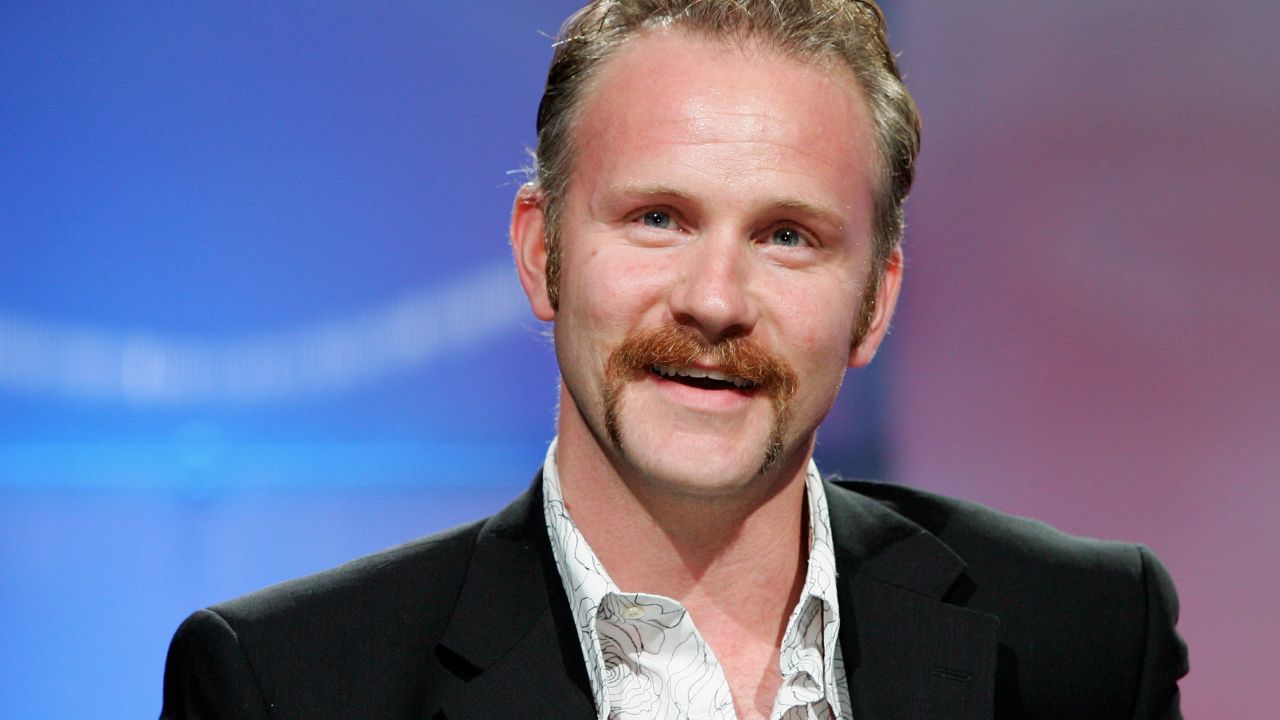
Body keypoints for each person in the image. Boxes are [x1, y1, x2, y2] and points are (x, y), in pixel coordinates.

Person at [160, 1, 1188, 718]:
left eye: (788, 235)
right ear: (541, 254)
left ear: (874, 300)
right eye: (657, 218)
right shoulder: (289, 686)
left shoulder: (1080, 637)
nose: (712, 300)